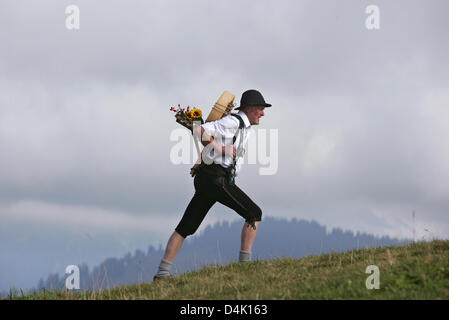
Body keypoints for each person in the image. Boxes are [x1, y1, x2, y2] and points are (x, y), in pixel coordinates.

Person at [154, 89, 272, 280]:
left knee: (186, 227)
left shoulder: (244, 126)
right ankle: (245, 267)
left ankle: (161, 274)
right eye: (260, 108)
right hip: (215, 177)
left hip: (209, 178)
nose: (263, 113)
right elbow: (198, 129)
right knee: (254, 213)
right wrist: (220, 149)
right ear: (249, 109)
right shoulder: (233, 122)